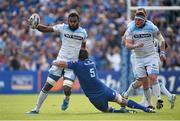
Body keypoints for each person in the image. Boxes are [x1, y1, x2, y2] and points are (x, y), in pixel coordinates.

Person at [52, 49, 155, 113]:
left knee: (107, 110)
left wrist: (55, 62)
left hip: (94, 97)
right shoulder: (91, 62)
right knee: (123, 100)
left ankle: (119, 112)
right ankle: (145, 109)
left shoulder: (77, 64)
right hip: (104, 89)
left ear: (78, 57)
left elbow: (61, 63)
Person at [26, 10, 87, 114]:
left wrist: (82, 60)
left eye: (74, 21)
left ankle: (66, 98)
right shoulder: (62, 27)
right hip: (59, 62)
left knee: (67, 89)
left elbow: (83, 48)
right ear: (68, 21)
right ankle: (36, 109)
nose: (72, 23)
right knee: (47, 86)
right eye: (71, 21)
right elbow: (46, 29)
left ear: (78, 21)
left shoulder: (83, 33)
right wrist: (36, 26)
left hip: (71, 65)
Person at [124, 8, 166, 109]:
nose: (137, 21)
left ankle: (159, 99)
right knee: (143, 81)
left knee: (152, 76)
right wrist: (135, 45)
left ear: (144, 19)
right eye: (136, 19)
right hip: (138, 58)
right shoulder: (131, 27)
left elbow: (162, 40)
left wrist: (162, 53)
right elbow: (127, 44)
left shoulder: (151, 26)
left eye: (139, 20)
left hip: (151, 56)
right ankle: (149, 104)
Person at [123, 39, 176, 109]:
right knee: (150, 81)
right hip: (155, 58)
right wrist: (160, 52)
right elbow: (165, 45)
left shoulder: (142, 34)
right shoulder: (155, 37)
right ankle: (166, 97)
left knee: (143, 80)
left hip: (142, 59)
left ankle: (128, 95)